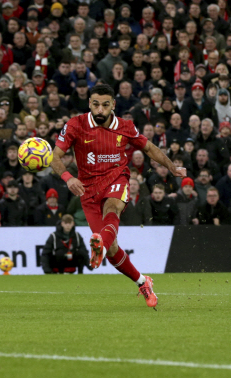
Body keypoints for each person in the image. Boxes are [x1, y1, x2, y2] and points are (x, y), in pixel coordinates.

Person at [50, 84, 186, 308]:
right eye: (96, 104)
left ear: (113, 104)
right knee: (112, 249)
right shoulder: (75, 125)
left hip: (116, 178)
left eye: (105, 104)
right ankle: (143, 281)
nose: (100, 109)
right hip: (87, 189)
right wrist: (68, 178)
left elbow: (150, 148)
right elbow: (55, 156)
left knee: (112, 208)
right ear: (90, 104)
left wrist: (171, 167)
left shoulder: (125, 126)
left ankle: (99, 246)